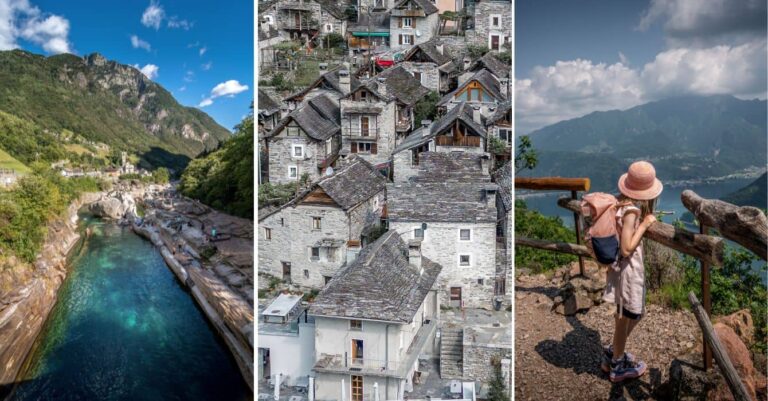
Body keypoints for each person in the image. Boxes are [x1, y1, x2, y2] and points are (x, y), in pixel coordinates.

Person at [601, 160, 662, 383]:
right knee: (626, 317)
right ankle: (617, 366)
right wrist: (644, 224)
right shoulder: (631, 211)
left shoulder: (619, 204)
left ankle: (613, 353)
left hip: (619, 270)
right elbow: (627, 249)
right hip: (627, 272)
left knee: (630, 315)